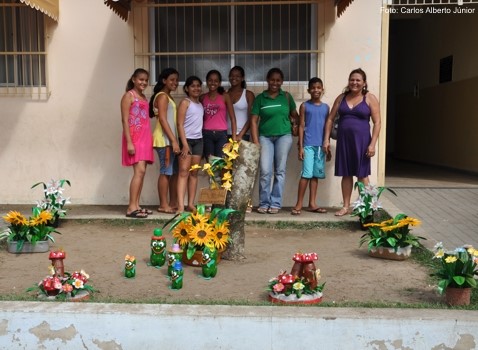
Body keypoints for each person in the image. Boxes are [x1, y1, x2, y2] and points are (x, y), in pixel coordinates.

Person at [323, 68, 381, 216]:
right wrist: (326, 139)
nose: (354, 83)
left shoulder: (369, 98)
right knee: (346, 173)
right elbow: (330, 119)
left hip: (362, 142)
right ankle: (346, 206)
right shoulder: (341, 97)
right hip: (344, 142)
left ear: (364, 83)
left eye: (358, 80)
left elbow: (378, 122)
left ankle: (366, 208)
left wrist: (373, 144)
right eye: (352, 80)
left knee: (362, 175)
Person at [251, 67, 299, 214]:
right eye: (272, 79)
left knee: (280, 171)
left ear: (282, 81)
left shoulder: (286, 97)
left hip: (284, 137)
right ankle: (264, 203)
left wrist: (296, 124)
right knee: (265, 171)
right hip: (265, 137)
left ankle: (276, 203)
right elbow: (253, 121)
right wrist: (256, 141)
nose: (275, 83)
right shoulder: (260, 98)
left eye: (278, 80)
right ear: (267, 80)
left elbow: (294, 115)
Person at [291, 77, 331, 216]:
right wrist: (301, 146)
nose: (316, 90)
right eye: (313, 88)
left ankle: (312, 203)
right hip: (308, 145)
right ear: (309, 90)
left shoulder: (326, 108)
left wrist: (327, 144)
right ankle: (299, 204)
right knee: (306, 175)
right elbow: (301, 126)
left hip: (320, 147)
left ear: (322, 89)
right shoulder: (304, 106)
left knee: (315, 176)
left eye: (319, 87)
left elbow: (327, 127)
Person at [121, 68, 154, 218]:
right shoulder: (129, 96)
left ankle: (137, 205)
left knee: (142, 172)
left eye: (146, 80)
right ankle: (131, 207)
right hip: (134, 139)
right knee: (138, 172)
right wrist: (129, 142)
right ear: (133, 79)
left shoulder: (144, 97)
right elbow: (125, 120)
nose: (144, 82)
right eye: (141, 79)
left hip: (145, 138)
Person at [150, 68, 180, 214]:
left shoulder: (168, 97)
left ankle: (172, 202)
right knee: (165, 172)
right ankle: (163, 204)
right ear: (164, 81)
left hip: (170, 139)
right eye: (172, 80)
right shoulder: (162, 96)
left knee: (173, 172)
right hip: (164, 140)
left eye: (176, 80)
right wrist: (173, 141)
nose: (175, 82)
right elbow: (162, 119)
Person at [176, 76, 204, 214]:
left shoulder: (200, 104)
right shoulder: (185, 103)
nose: (196, 88)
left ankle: (191, 204)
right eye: (193, 86)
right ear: (187, 88)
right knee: (183, 172)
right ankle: (181, 205)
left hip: (199, 141)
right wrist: (184, 144)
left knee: (194, 173)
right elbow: (179, 124)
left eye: (198, 85)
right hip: (186, 141)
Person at [201, 70, 237, 159]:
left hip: (222, 134)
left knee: (221, 162)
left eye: (216, 81)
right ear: (206, 81)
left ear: (219, 83)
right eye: (210, 80)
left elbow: (233, 118)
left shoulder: (225, 96)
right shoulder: (202, 97)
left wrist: (234, 139)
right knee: (210, 164)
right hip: (207, 134)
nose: (213, 83)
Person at [227, 66, 255, 141]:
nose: (234, 78)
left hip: (243, 135)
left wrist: (240, 135)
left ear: (242, 78)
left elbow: (251, 118)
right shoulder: (225, 94)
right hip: (225, 134)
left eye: (237, 76)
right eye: (232, 76)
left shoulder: (248, 94)